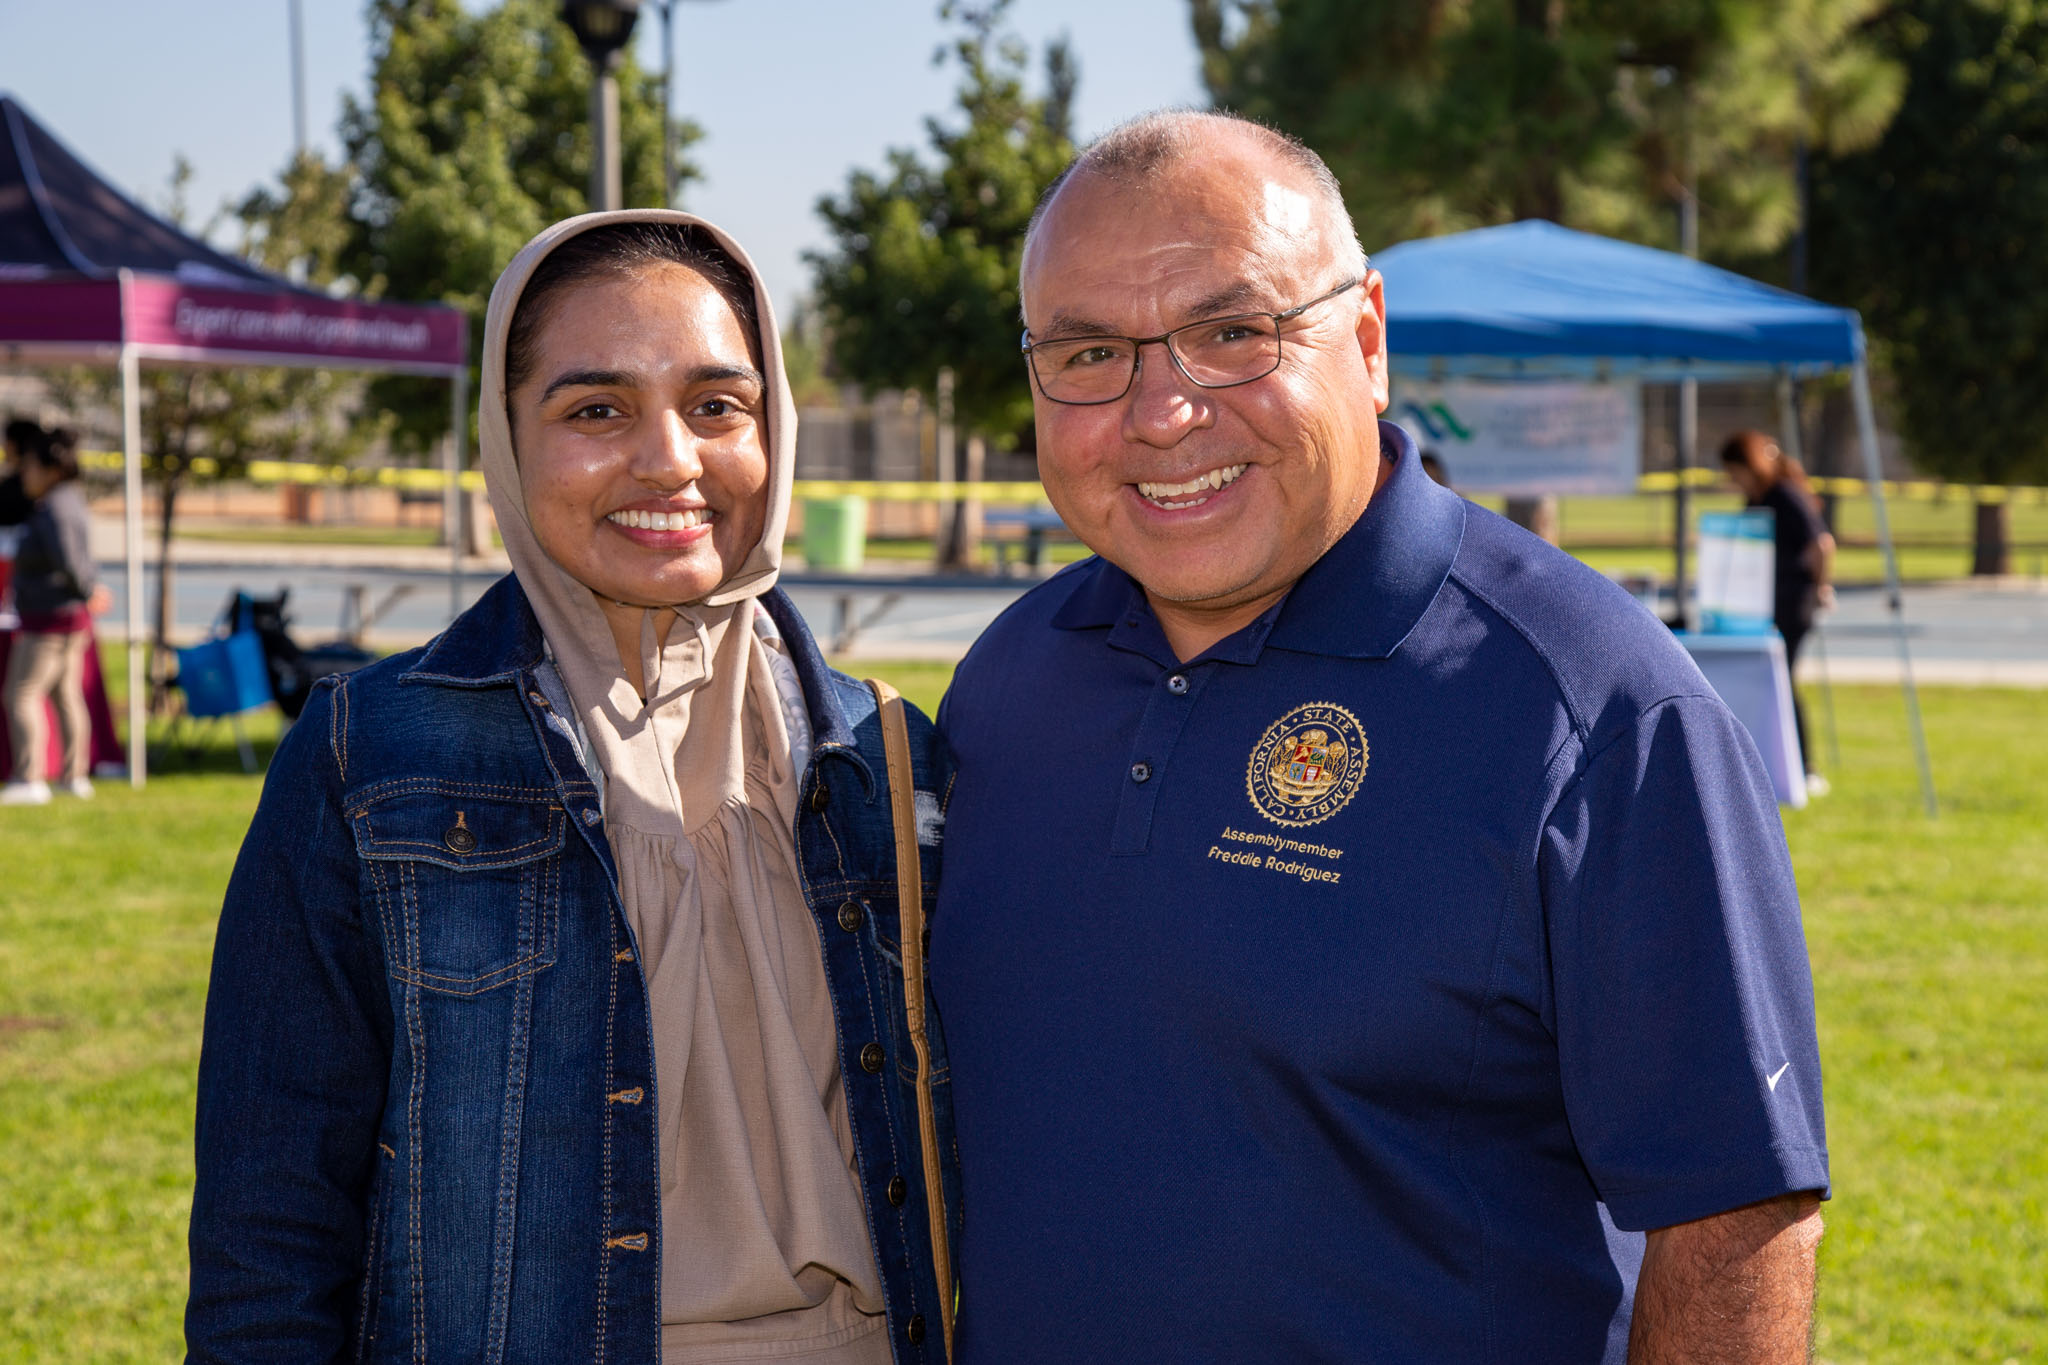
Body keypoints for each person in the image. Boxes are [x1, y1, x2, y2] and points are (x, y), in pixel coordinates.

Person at [930, 111, 1828, 1363]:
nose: (1161, 412)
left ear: (1363, 340)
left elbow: (1733, 1218)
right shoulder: (1008, 682)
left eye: (1230, 334)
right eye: (1087, 354)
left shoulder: (1598, 712)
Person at [187, 212, 958, 1365]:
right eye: (594, 409)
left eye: (716, 405)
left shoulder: (887, 761)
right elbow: (271, 1227)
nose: (670, 460)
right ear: (504, 438)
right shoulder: (370, 760)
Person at [1721, 430, 1836, 796]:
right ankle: (1775, 761)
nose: (1731, 480)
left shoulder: (1785, 494)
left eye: (1733, 471)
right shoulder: (1757, 498)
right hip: (1765, 602)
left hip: (1793, 600)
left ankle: (1804, 766)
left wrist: (1821, 586)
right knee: (1773, 680)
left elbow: (1822, 544)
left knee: (1783, 679)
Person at [4, 424, 107, 804]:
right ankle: (73, 776)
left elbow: (70, 562)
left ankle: (29, 779)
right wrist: (87, 590)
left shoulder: (54, 509)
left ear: (52, 470)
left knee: (21, 694)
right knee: (66, 696)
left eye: (30, 467)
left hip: (49, 620)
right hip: (65, 618)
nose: (24, 475)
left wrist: (88, 590)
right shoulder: (70, 500)